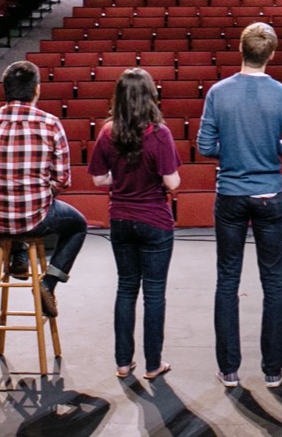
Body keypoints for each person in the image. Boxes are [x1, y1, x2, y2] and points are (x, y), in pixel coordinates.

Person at [196, 21, 282, 389]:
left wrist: (237, 148)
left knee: (227, 280)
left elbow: (206, 146)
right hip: (268, 195)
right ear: (271, 54)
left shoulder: (218, 91)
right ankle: (273, 370)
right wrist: (268, 146)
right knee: (272, 283)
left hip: (230, 194)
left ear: (241, 49)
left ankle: (228, 369)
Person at [0, 59, 85, 319]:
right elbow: (63, 181)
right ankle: (48, 284)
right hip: (33, 219)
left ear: (5, 90)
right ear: (37, 90)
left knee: (10, 205)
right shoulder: (50, 124)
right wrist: (41, 190)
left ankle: (18, 257)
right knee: (77, 225)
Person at [89, 68, 182, 380]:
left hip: (121, 219)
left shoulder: (107, 132)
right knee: (154, 293)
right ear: (150, 97)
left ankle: (122, 363)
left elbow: (100, 179)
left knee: (126, 288)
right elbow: (172, 183)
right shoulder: (159, 134)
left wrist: (124, 177)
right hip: (154, 220)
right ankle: (153, 364)